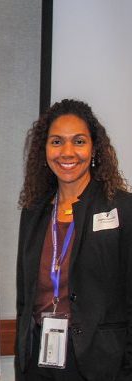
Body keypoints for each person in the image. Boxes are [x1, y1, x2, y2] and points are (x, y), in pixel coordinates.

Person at [15, 99, 132, 380]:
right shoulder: (34, 212)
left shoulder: (121, 208)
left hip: (100, 363)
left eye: (78, 141)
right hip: (39, 357)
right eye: (57, 142)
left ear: (94, 148)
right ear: (45, 150)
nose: (67, 152)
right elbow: (24, 297)